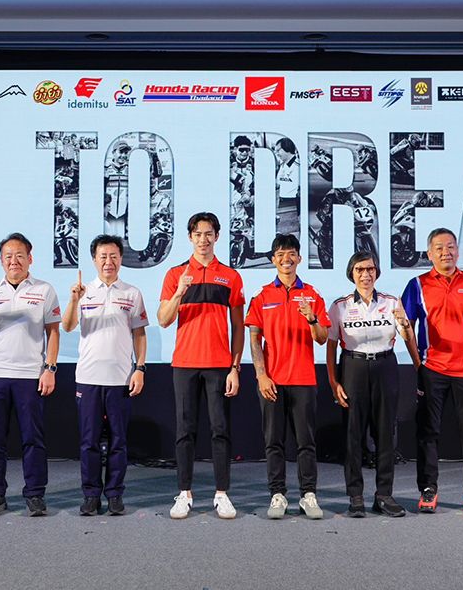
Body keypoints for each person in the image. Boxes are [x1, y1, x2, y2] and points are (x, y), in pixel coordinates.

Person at [400, 227, 463, 516]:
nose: (446, 252)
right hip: (432, 369)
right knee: (428, 432)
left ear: (458, 250)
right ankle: (427, 489)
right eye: (440, 248)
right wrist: (417, 363)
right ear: (429, 254)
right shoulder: (417, 285)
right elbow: (406, 327)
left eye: (451, 247)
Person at [0, 232, 61, 517]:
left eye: (19, 255)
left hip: (30, 374)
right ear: (1, 260)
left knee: (33, 438)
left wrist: (50, 368)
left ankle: (35, 494)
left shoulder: (44, 290)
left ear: (30, 259)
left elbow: (54, 332)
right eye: (8, 256)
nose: (14, 260)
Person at [158, 212, 245, 520]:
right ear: (190, 237)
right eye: (198, 234)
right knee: (185, 431)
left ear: (217, 237)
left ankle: (222, 494)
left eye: (209, 234)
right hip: (185, 364)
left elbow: (239, 326)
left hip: (219, 365)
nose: (203, 239)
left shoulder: (230, 276)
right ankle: (184, 493)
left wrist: (235, 367)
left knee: (221, 430)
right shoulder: (175, 274)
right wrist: (179, 292)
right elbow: (163, 319)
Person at [326, 251, 418, 518]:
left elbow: (406, 335)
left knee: (385, 434)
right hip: (352, 367)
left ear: (377, 272)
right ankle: (355, 496)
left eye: (370, 269)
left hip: (385, 366)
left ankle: (384, 495)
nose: (365, 274)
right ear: (351, 273)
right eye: (360, 270)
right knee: (353, 434)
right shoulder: (340, 306)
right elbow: (331, 346)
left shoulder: (391, 302)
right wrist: (333, 381)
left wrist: (405, 325)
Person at [61, 235, 148, 516]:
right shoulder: (83, 292)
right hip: (88, 378)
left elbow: (139, 334)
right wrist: (74, 300)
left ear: (121, 259)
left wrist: (140, 368)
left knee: (118, 442)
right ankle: (90, 495)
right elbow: (68, 326)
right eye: (103, 256)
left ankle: (114, 494)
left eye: (113, 256)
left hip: (120, 379)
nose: (108, 261)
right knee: (89, 442)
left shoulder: (132, 293)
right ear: (94, 260)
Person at [246, 234, 331, 520]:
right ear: (273, 259)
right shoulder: (262, 296)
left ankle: (308, 494)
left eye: (292, 253)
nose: (287, 259)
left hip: (304, 379)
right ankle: (277, 494)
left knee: (306, 442)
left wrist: (312, 318)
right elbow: (254, 339)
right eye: (281, 254)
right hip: (272, 380)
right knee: (274, 442)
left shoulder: (312, 295)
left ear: (299, 258)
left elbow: (322, 338)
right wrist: (261, 375)